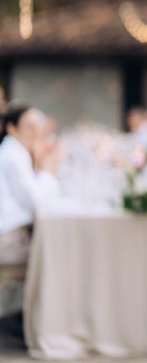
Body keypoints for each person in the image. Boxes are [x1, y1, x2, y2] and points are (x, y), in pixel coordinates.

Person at [0, 104, 61, 320]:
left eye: (38, 125)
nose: (36, 131)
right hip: (8, 242)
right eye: (30, 125)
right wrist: (48, 168)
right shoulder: (13, 155)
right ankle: (43, 321)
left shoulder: (15, 151)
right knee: (59, 254)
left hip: (13, 236)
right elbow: (37, 202)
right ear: (12, 128)